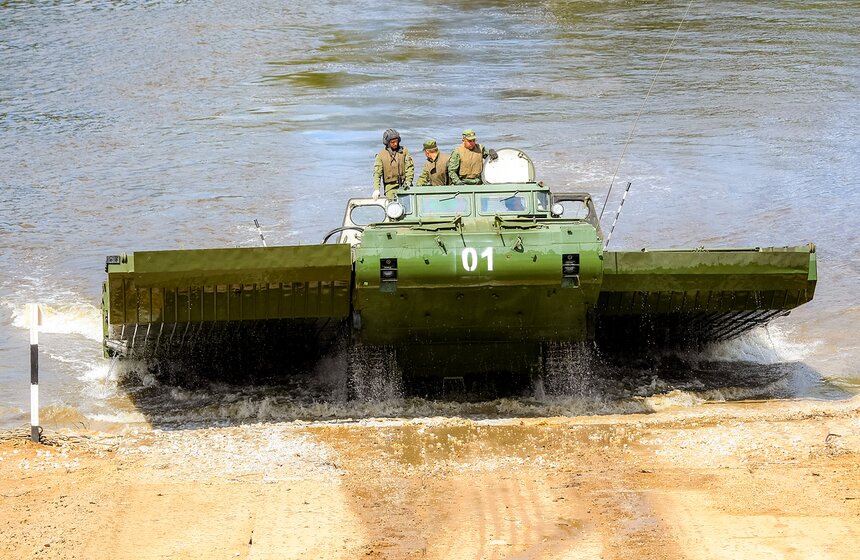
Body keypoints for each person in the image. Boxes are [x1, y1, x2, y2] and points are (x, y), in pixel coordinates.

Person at [372, 128, 414, 200]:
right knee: (393, 207)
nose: (395, 144)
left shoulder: (404, 151)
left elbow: (409, 168)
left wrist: (408, 181)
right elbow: (377, 173)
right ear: (387, 143)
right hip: (390, 187)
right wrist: (376, 189)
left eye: (396, 141)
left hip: (405, 185)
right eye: (392, 142)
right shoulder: (381, 155)